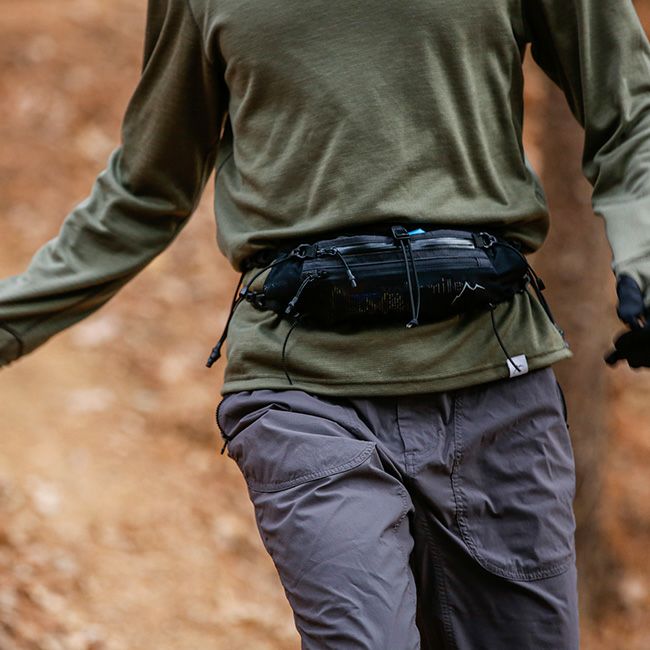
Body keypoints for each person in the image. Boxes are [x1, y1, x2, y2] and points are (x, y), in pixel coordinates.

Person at [1, 0, 649, 647]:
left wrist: (644, 261)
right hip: (303, 387)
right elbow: (147, 187)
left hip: (495, 381)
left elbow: (628, 107)